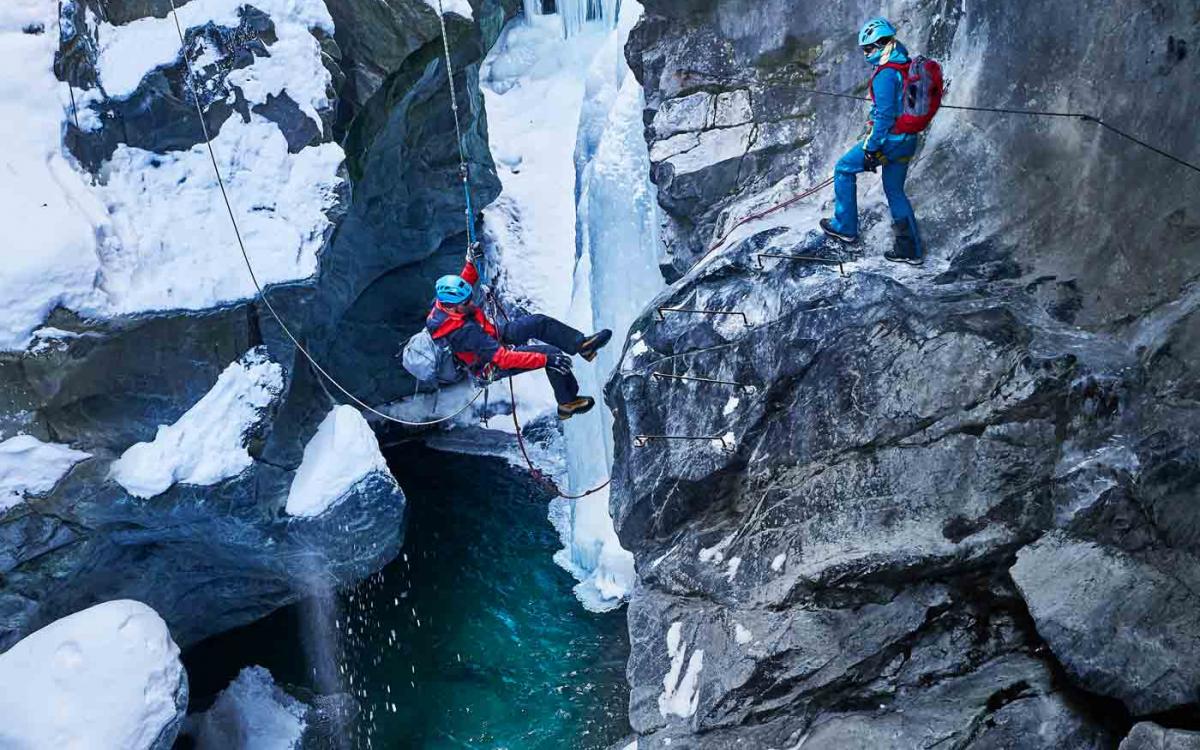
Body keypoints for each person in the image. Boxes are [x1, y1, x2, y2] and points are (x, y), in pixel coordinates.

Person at [426, 245, 612, 420]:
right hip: (489, 363)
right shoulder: (464, 333)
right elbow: (503, 359)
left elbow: (463, 286)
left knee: (537, 322)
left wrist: (470, 263)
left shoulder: (443, 304)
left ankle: (582, 345)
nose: (471, 303)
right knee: (553, 356)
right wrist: (546, 360)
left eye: (469, 299)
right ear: (452, 307)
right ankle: (567, 403)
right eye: (466, 303)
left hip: (491, 335)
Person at [820, 17, 924, 265]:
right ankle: (910, 250)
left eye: (869, 49)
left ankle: (845, 228)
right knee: (895, 191)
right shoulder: (906, 63)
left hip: (891, 140)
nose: (866, 54)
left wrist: (870, 149)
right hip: (909, 139)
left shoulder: (886, 74)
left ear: (882, 44)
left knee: (843, 168)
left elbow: (885, 117)